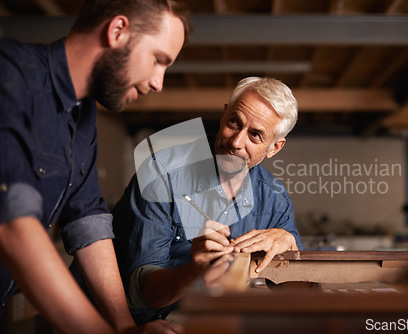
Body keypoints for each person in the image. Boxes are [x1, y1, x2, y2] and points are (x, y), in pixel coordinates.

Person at [0, 0, 191, 333]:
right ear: (117, 31)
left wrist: (125, 327)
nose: (159, 82)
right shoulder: (10, 73)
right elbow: (12, 225)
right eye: (158, 60)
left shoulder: (83, 115)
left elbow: (87, 221)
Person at [108, 77, 303, 323]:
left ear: (274, 148)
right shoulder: (161, 175)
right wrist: (195, 270)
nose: (235, 142)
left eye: (255, 135)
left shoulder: (274, 197)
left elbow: (296, 292)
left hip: (198, 319)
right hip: (117, 320)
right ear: (223, 115)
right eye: (234, 122)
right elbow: (143, 293)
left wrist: (291, 245)